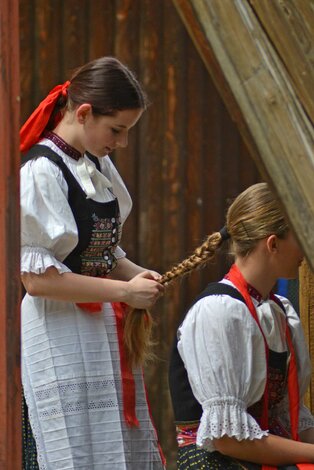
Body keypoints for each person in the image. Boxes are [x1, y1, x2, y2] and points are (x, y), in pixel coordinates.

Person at [20, 56, 165, 470]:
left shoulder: (96, 166)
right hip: (57, 329)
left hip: (99, 326)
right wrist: (125, 291)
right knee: (72, 450)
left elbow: (102, 253)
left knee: (112, 447)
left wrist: (138, 275)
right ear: (83, 113)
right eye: (116, 130)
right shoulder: (41, 172)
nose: (120, 143)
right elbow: (37, 279)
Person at [164, 182, 314, 469]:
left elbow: (287, 419)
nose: (307, 245)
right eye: (301, 233)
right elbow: (228, 439)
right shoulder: (218, 312)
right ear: (273, 243)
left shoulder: (279, 311)